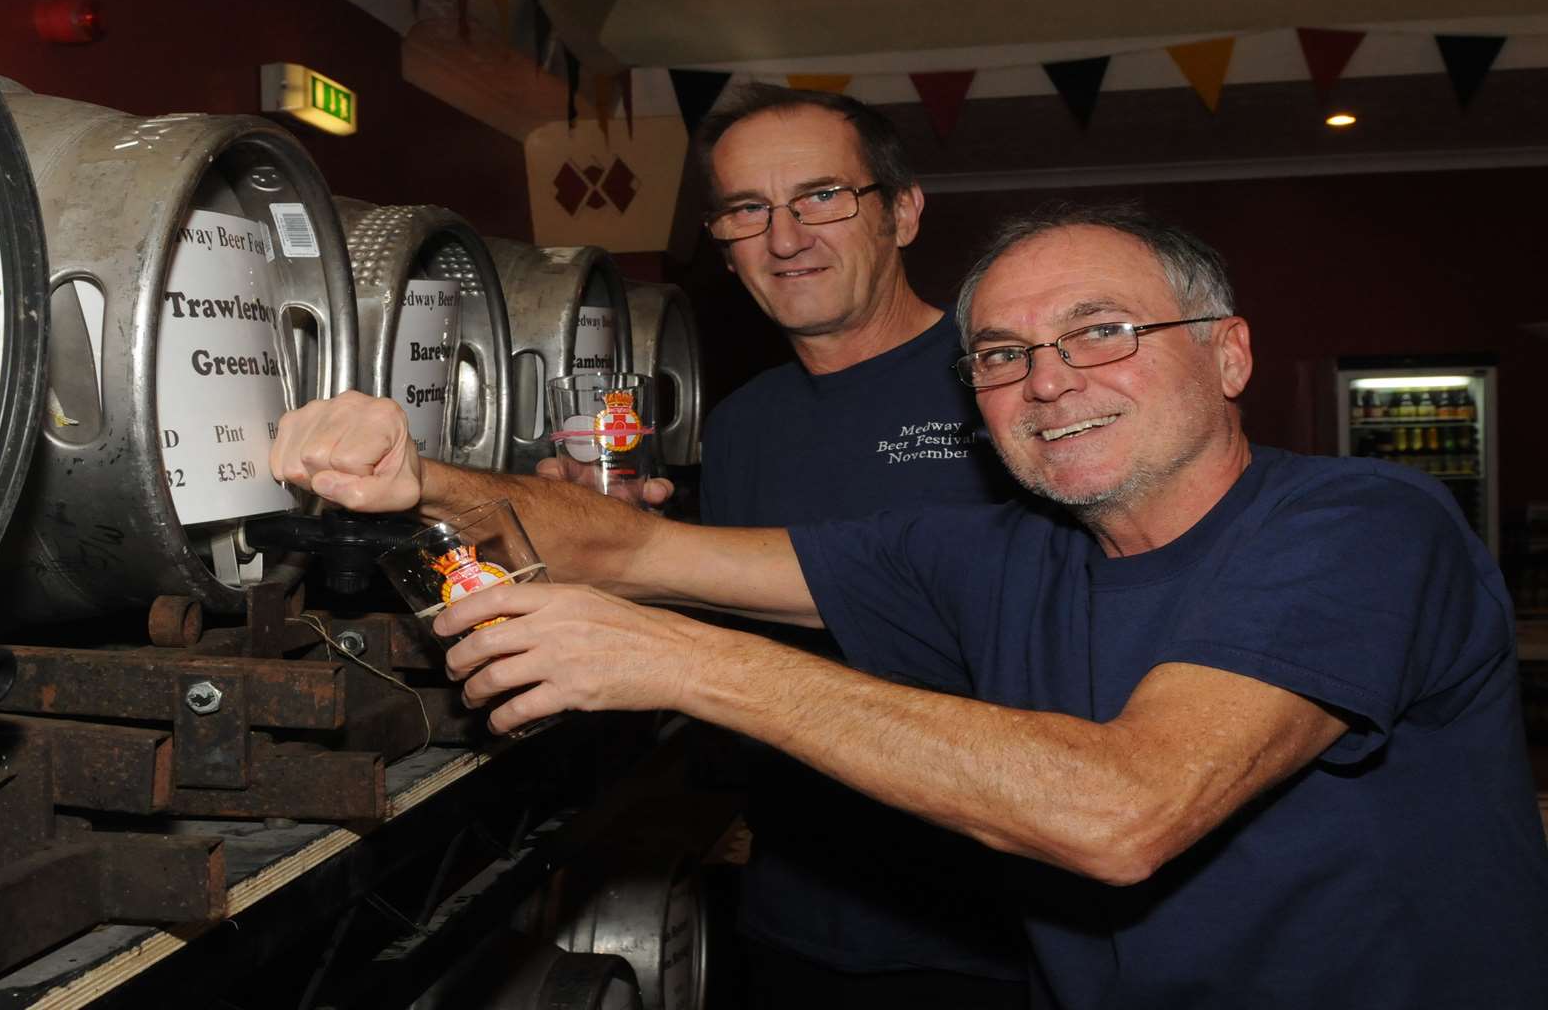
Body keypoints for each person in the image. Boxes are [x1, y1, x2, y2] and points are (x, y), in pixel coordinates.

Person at [269, 203, 1548, 1009]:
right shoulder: (994, 554)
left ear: (1227, 353)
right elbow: (640, 551)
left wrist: (692, 666)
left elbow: (1124, 810)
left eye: (1101, 333)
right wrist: (419, 479)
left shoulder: (1359, 529)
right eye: (1002, 356)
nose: (1048, 381)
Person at [651, 83, 1026, 1006]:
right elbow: (737, 634)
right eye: (747, 209)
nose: (785, 238)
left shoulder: (1014, 389)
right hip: (795, 921)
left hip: (998, 935)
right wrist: (621, 544)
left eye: (823, 196)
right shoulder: (740, 425)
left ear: (902, 212)